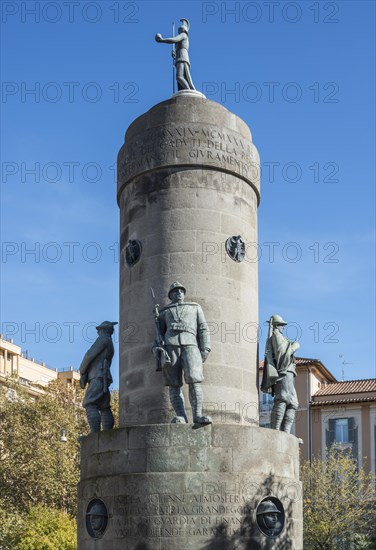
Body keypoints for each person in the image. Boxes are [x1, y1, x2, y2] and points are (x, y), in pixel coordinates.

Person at [153, 281, 211, 424]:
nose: (179, 293)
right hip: (170, 346)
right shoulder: (164, 312)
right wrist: (157, 349)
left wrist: (205, 348)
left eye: (181, 291)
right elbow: (158, 335)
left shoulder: (195, 307)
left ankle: (197, 415)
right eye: (175, 291)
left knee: (195, 379)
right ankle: (181, 416)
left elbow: (203, 328)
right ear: (170, 295)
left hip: (191, 344)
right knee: (174, 384)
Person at [261, 314, 299, 433]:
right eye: (282, 325)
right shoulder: (276, 336)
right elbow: (281, 352)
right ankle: (277, 430)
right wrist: (293, 347)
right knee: (283, 398)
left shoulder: (279, 336)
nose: (283, 327)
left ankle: (285, 431)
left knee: (293, 402)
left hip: (289, 372)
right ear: (277, 326)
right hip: (284, 372)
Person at [79, 321, 117, 433]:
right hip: (103, 376)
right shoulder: (109, 341)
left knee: (89, 402)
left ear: (103, 330)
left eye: (99, 330)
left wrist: (82, 371)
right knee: (104, 406)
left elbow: (89, 355)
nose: (98, 333)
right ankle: (107, 434)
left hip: (97, 375)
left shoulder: (103, 339)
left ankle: (95, 433)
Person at [155, 18, 195, 90]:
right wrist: (175, 54)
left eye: (180, 29)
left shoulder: (183, 35)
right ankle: (187, 89)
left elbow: (174, 39)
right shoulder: (183, 37)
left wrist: (162, 40)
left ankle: (188, 90)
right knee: (180, 76)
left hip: (182, 56)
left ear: (183, 30)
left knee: (179, 77)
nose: (178, 30)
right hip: (180, 56)